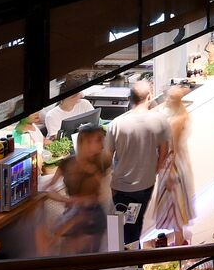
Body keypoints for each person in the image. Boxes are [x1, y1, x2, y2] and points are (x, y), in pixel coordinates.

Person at [104, 81, 169, 246]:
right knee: (134, 225)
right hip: (144, 185)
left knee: (122, 227)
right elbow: (164, 153)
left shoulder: (116, 124)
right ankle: (133, 262)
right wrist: (152, 172)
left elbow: (106, 158)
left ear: (130, 99)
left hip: (119, 186)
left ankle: (125, 262)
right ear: (149, 97)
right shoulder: (159, 120)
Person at [46, 124, 110, 254]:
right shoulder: (67, 164)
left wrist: (76, 201)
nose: (102, 145)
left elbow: (101, 196)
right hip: (75, 216)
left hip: (92, 218)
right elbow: (49, 189)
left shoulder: (102, 162)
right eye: (98, 140)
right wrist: (66, 199)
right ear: (84, 142)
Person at [149, 85, 195, 245]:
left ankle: (179, 240)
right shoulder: (182, 114)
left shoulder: (176, 121)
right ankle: (179, 238)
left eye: (169, 98)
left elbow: (172, 149)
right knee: (177, 204)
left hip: (172, 166)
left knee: (174, 205)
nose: (166, 100)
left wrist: (169, 174)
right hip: (179, 164)